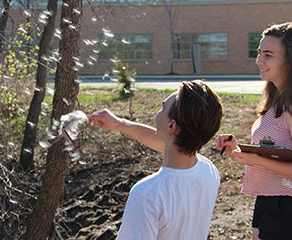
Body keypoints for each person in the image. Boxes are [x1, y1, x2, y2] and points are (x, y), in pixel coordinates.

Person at [89, 80, 223, 240]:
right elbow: (172, 145)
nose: (157, 114)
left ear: (172, 126)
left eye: (162, 108)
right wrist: (120, 124)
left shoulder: (147, 193)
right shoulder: (209, 171)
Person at [217, 22, 292, 240]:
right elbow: (278, 150)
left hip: (289, 209)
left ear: (290, 61)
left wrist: (257, 160)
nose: (259, 60)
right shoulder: (275, 100)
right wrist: (241, 149)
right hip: (269, 201)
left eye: (268, 55)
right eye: (259, 53)